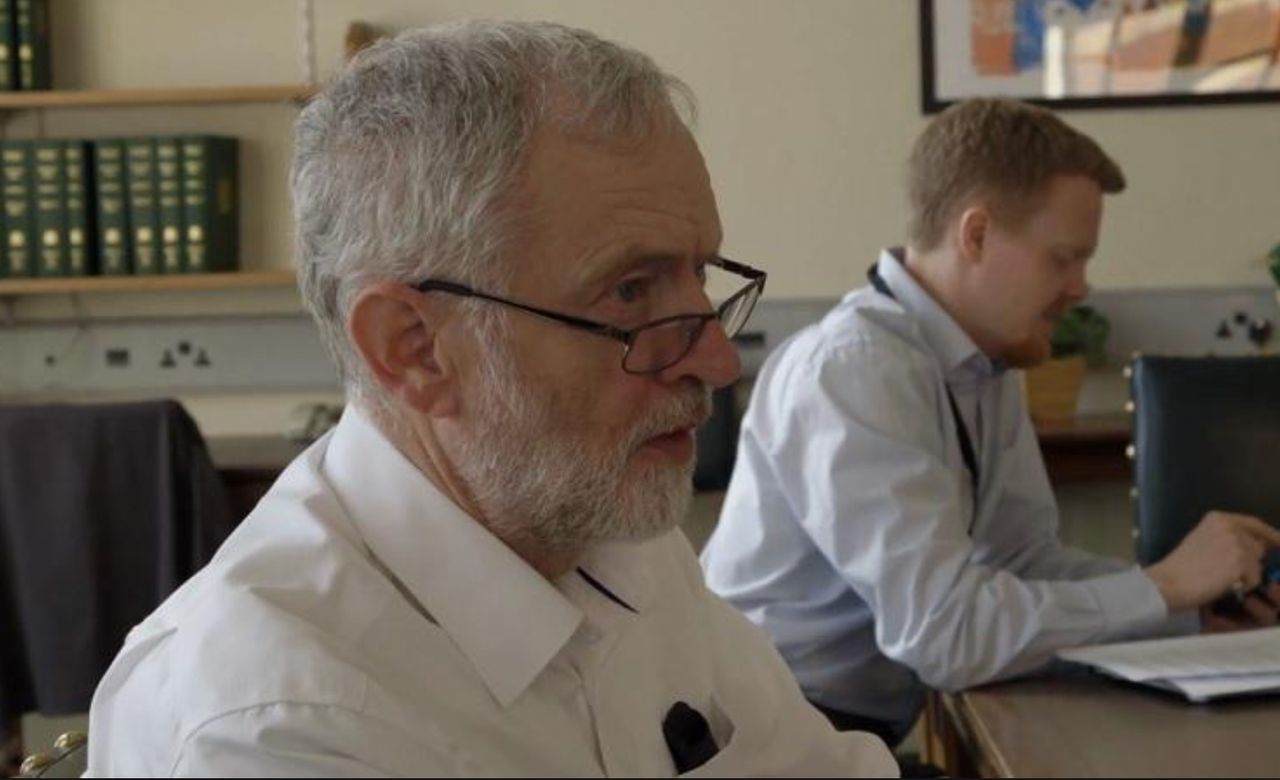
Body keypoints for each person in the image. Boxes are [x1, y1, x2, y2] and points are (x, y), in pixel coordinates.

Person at [85, 20, 897, 778]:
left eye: (700, 277)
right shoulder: (276, 723)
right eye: (628, 291)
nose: (716, 360)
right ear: (415, 347)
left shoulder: (607, 529)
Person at [700, 97, 1280, 748]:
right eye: (1064, 258)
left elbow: (1023, 563)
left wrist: (1193, 614)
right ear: (975, 235)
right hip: (757, 747)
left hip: (838, 736)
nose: (1081, 287)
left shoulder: (981, 359)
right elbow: (944, 634)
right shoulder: (855, 371)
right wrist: (1164, 585)